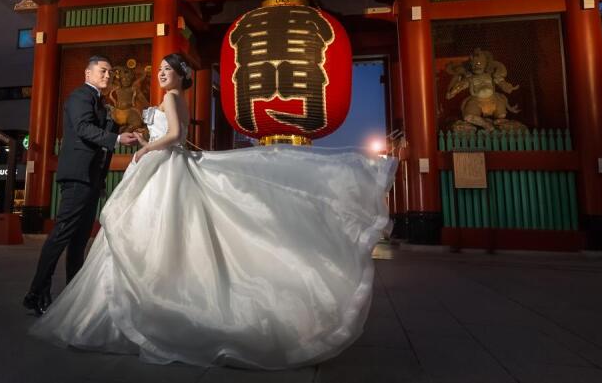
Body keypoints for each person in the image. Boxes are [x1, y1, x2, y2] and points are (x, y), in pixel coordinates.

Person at [29, 52, 397, 369]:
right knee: (125, 231)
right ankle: (57, 293)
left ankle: (135, 298)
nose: (160, 74)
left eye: (167, 70)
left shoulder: (170, 97)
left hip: (162, 166)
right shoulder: (88, 97)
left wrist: (145, 149)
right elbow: (140, 133)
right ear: (89, 73)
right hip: (126, 168)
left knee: (147, 230)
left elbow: (174, 136)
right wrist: (143, 139)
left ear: (179, 76)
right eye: (159, 69)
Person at [23, 55, 138, 316]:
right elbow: (84, 128)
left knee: (79, 239)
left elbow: (100, 134)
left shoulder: (100, 102)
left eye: (110, 72)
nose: (108, 75)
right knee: (62, 234)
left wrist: (122, 132)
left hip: (91, 177)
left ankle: (74, 295)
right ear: (87, 73)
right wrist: (117, 138)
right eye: (102, 71)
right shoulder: (80, 96)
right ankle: (36, 293)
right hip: (78, 176)